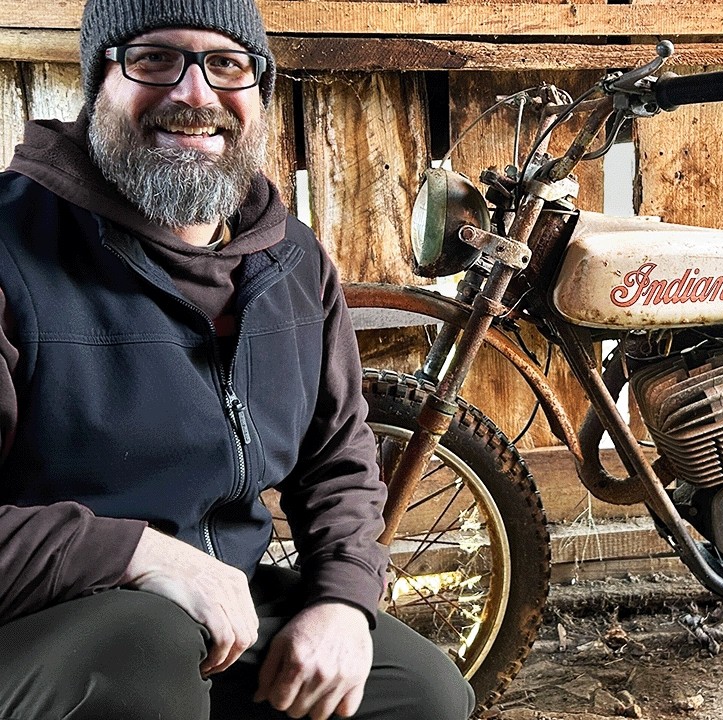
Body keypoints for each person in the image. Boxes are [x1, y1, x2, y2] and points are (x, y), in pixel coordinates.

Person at [0, 0, 474, 718]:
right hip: (37, 622)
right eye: (154, 59)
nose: (195, 95)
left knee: (421, 694)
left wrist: (344, 600)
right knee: (146, 648)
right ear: (99, 82)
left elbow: (338, 459)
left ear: (258, 94)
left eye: (226, 65)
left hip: (221, 611)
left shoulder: (292, 261)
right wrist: (142, 555)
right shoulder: (11, 250)